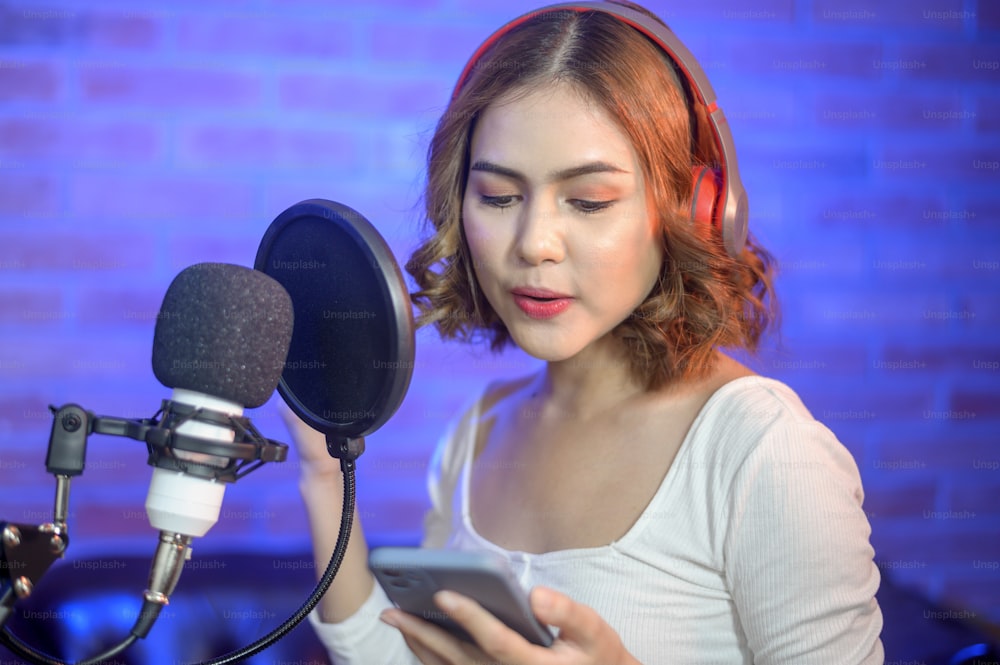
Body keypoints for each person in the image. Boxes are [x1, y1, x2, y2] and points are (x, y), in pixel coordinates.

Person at [284, 2, 885, 663]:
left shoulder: (763, 451)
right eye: (498, 196)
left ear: (694, 208)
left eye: (589, 200)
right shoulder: (477, 432)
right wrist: (321, 469)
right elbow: (403, 656)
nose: (535, 243)